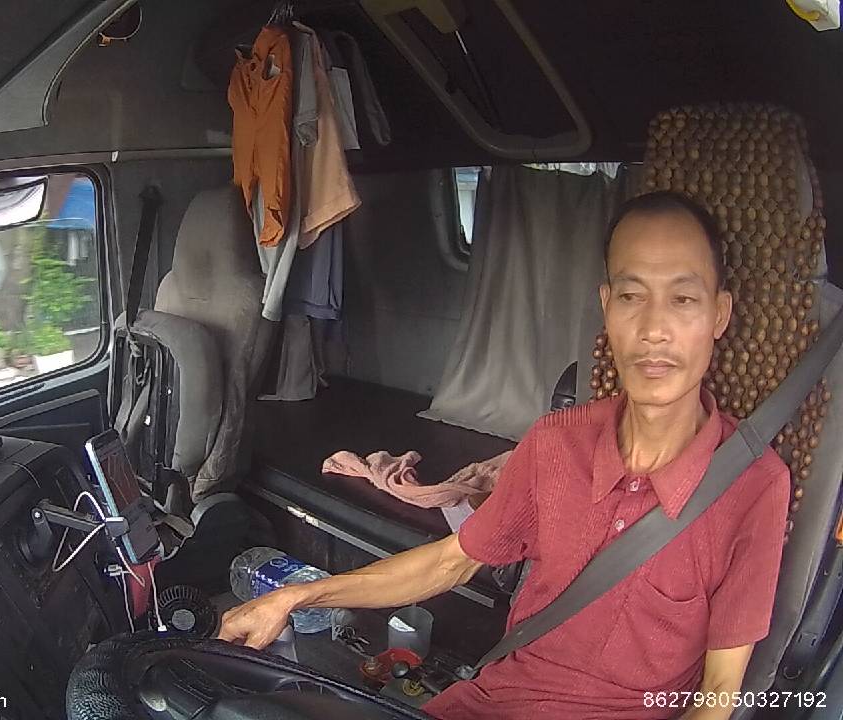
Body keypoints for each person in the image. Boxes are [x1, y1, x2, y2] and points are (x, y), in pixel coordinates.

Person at [218, 191, 791, 720]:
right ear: (607, 307)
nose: (654, 329)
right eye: (631, 296)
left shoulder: (755, 484)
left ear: (719, 314)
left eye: (683, 299)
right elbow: (450, 561)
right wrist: (295, 596)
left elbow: (720, 692)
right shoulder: (556, 443)